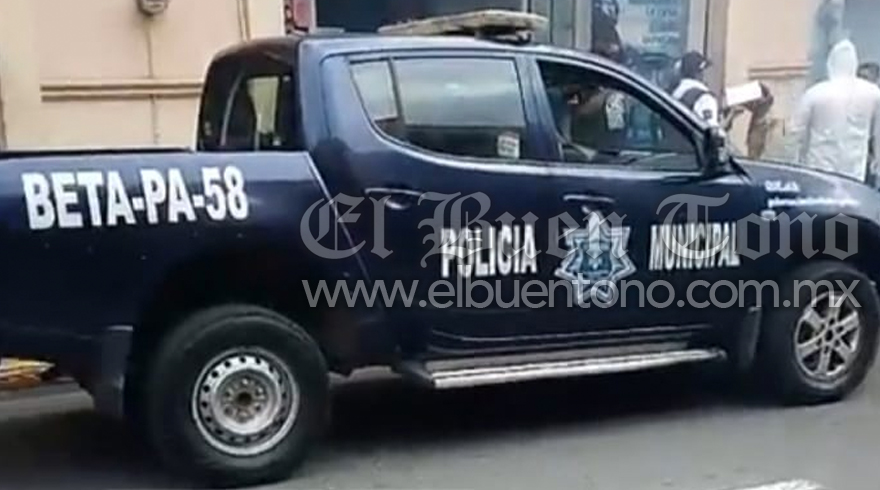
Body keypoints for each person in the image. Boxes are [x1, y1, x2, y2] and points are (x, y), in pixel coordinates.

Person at [788, 39, 880, 183]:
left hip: (818, 171)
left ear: (830, 63)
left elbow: (794, 133)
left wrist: (794, 165)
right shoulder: (872, 93)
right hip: (855, 174)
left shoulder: (814, 93)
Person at [670, 51, 721, 127]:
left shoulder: (673, 92)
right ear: (698, 73)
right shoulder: (705, 98)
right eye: (703, 71)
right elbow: (710, 129)